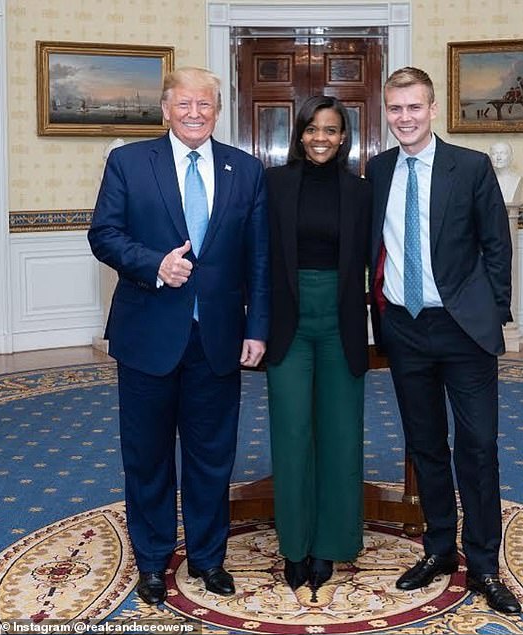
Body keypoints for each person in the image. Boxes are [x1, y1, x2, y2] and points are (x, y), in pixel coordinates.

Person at [88, 67, 269, 605]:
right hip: (147, 335)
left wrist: (256, 327)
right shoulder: (128, 161)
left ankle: (209, 558)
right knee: (147, 456)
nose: (195, 113)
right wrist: (153, 265)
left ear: (218, 110)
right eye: (184, 104)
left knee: (212, 455)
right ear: (165, 108)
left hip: (218, 338)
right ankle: (151, 559)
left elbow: (259, 258)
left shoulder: (246, 169)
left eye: (205, 105)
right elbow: (104, 233)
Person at [365, 67, 521, 615]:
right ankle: (438, 549)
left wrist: (492, 313)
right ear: (387, 112)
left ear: (432, 110)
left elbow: (496, 247)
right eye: (395, 108)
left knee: (478, 447)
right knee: (426, 445)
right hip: (405, 330)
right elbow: (371, 249)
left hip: (464, 331)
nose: (404, 117)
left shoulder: (471, 168)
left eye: (414, 107)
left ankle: (483, 563)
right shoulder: (378, 170)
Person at [265, 95, 371, 592]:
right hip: (289, 323)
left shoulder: (361, 191)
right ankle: (294, 546)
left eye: (330, 130)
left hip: (342, 322)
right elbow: (258, 259)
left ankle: (331, 544)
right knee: (291, 436)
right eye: (312, 129)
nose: (321, 139)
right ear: (300, 134)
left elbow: (378, 261)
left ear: (344, 136)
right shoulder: (274, 184)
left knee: (340, 436)